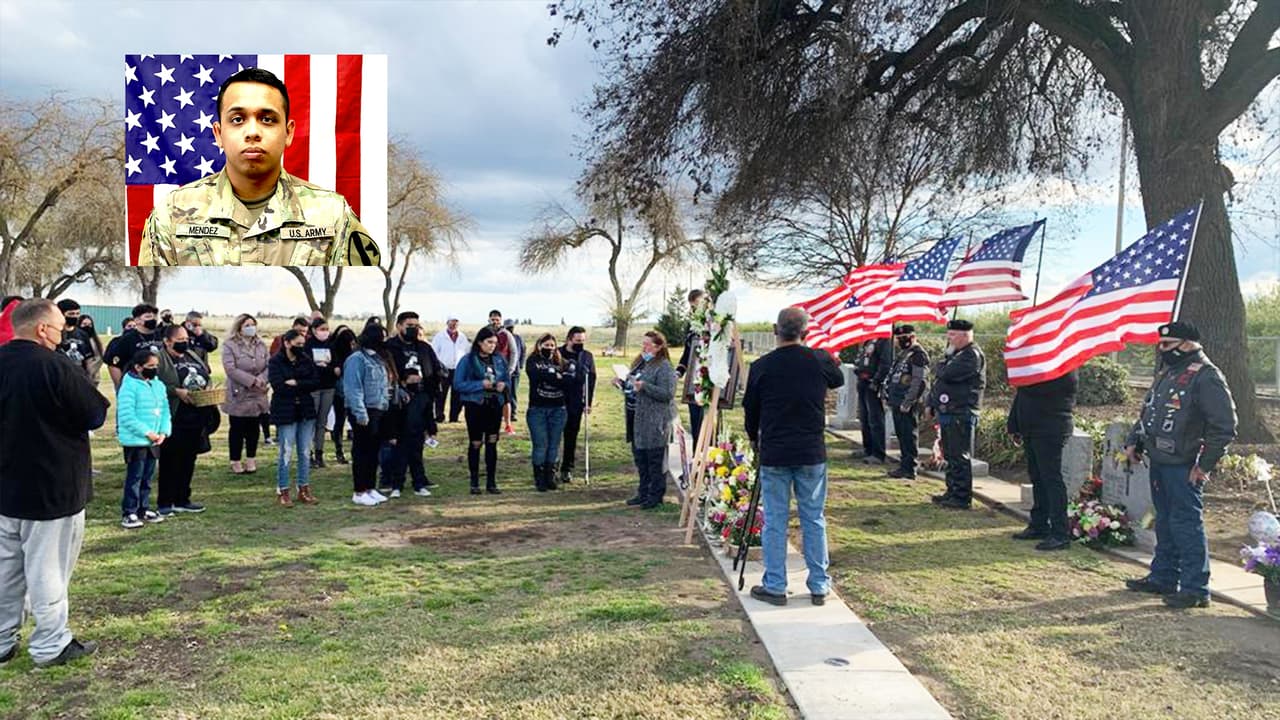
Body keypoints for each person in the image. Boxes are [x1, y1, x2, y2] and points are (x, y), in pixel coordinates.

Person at [138, 67, 380, 267]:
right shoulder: (172, 213)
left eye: (267, 119)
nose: (252, 132)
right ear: (219, 134)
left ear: (288, 132)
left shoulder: (332, 213)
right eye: (237, 120)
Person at [0, 298, 109, 667]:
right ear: (43, 329)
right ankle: (50, 644)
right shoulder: (53, 365)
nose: (63, 335)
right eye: (61, 328)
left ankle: (1, 639)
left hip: (6, 487)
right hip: (51, 486)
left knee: (6, 569)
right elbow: (93, 413)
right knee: (48, 569)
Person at [1124, 321, 1237, 609]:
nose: (1162, 350)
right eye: (1160, 345)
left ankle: (1195, 588)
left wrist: (1205, 464)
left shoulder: (1206, 376)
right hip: (1160, 460)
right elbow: (1149, 412)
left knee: (1186, 523)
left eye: (1168, 345)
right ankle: (1163, 576)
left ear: (1187, 344)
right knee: (1164, 520)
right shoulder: (1169, 372)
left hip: (1185, 465)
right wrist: (1134, 440)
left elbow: (1223, 426)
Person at [743, 308, 844, 607]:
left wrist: (753, 437)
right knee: (813, 518)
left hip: (775, 450)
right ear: (807, 332)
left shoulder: (762, 365)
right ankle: (819, 584)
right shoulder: (819, 359)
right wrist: (826, 356)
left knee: (775, 520)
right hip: (811, 451)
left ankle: (775, 584)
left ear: (775, 329)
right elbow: (837, 379)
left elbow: (751, 409)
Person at [1006, 370, 1078, 551]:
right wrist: (1014, 424)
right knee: (1037, 477)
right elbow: (1022, 395)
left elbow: (1040, 391)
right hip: (1031, 426)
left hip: (1051, 428)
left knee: (1051, 479)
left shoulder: (1064, 368)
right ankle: (1039, 524)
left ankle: (1060, 533)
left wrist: (1024, 377)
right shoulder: (1035, 368)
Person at [155, 324, 215, 516]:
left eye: (185, 339)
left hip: (196, 414)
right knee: (170, 459)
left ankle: (182, 498)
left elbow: (206, 374)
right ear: (167, 341)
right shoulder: (159, 359)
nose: (184, 343)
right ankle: (165, 501)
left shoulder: (192, 355)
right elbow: (152, 384)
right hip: (174, 414)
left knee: (189, 458)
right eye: (179, 340)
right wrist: (175, 391)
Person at [925, 319, 986, 510]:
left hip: (962, 411)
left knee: (959, 455)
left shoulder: (971, 355)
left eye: (952, 335)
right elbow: (939, 377)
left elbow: (947, 374)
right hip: (949, 410)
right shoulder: (956, 354)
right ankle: (952, 491)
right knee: (949, 453)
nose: (948, 338)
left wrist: (942, 365)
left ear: (965, 335)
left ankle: (961, 496)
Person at [382, 311, 442, 498]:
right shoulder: (389, 348)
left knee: (417, 443)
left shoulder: (424, 347)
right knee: (397, 444)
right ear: (399, 326)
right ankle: (393, 481)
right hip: (398, 401)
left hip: (421, 399)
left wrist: (430, 387)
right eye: (409, 325)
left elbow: (435, 370)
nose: (413, 329)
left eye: (416, 325)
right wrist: (403, 382)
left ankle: (419, 481)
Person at [615, 330, 675, 509]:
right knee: (640, 458)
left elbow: (667, 394)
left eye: (648, 345)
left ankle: (655, 495)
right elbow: (631, 384)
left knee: (654, 460)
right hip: (636, 419)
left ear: (658, 347)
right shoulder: (640, 363)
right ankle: (643, 492)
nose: (644, 347)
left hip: (654, 421)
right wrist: (621, 383)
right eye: (643, 344)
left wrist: (645, 386)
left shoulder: (664, 367)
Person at [116, 350, 170, 528]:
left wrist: (163, 431)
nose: (154, 370)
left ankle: (144, 507)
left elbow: (164, 411)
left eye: (156, 366)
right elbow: (126, 415)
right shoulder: (129, 385)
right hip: (137, 440)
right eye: (150, 367)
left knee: (148, 476)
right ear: (138, 367)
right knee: (135, 476)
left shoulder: (158, 385)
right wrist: (146, 432)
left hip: (154, 440)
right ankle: (129, 511)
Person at [454, 327, 510, 495]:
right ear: (480, 342)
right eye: (489, 342)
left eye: (495, 343)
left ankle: (491, 482)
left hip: (494, 404)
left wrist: (503, 385)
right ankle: (474, 482)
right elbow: (458, 384)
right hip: (475, 405)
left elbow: (507, 378)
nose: (492, 346)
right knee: (476, 443)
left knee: (492, 441)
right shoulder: (468, 360)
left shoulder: (499, 359)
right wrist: (480, 385)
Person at [343, 324, 394, 506]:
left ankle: (370, 488)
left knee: (373, 451)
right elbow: (353, 387)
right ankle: (359, 490)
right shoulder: (357, 359)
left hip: (379, 408)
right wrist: (360, 413)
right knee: (362, 451)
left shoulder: (379, 359)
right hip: (364, 410)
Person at [269, 329, 320, 507]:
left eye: (302, 344)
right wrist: (300, 384)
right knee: (286, 452)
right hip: (285, 411)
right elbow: (278, 386)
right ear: (287, 343)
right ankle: (283, 490)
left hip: (305, 410)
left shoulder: (306, 360)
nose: (301, 347)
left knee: (305, 452)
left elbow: (315, 382)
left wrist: (297, 382)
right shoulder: (276, 361)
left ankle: (303, 489)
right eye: (297, 344)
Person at [222, 314, 271, 474]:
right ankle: (235, 460)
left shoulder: (261, 344)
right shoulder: (230, 345)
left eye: (253, 324)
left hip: (258, 392)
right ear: (239, 327)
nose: (251, 327)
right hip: (239, 391)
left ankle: (251, 459)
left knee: (253, 428)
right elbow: (230, 368)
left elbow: (268, 365)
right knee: (237, 428)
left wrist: (261, 379)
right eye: (247, 325)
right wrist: (251, 380)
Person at [526, 333, 575, 491]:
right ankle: (539, 477)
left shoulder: (561, 362)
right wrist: (557, 377)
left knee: (554, 444)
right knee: (541, 444)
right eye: (546, 345)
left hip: (558, 409)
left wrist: (556, 377)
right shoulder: (533, 361)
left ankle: (550, 475)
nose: (549, 348)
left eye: (552, 346)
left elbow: (570, 381)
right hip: (538, 409)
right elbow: (537, 376)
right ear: (539, 345)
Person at [884, 325, 929, 480]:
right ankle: (904, 466)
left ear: (910, 337)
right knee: (902, 435)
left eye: (901, 338)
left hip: (908, 402)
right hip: (897, 400)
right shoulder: (904, 354)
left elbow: (919, 381)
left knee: (909, 435)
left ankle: (910, 468)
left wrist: (908, 401)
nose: (898, 342)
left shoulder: (918, 355)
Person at [559, 326, 597, 485]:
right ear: (569, 339)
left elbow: (592, 379)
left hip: (576, 401)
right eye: (577, 341)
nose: (580, 344)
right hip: (558, 399)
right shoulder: (558, 353)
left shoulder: (587, 356)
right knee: (554, 436)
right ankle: (550, 466)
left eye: (582, 341)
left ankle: (567, 468)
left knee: (571, 435)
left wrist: (587, 402)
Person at [852, 335, 893, 464]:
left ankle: (878, 453)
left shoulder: (884, 340)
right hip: (863, 381)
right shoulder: (868, 339)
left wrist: (876, 380)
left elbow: (885, 363)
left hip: (873, 383)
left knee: (875, 419)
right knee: (864, 418)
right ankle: (868, 448)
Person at [306, 317, 340, 468]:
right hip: (313, 388)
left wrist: (333, 369)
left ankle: (319, 452)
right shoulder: (308, 346)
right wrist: (327, 368)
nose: (324, 332)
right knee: (310, 422)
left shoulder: (332, 345)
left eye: (326, 329)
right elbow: (309, 366)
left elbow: (336, 365)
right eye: (321, 329)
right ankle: (308, 454)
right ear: (314, 330)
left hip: (328, 387)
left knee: (322, 421)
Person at [104, 303, 164, 390]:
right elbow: (113, 364)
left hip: (159, 384)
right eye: (148, 317)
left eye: (154, 317)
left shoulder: (161, 335)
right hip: (136, 385)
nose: (152, 320)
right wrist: (120, 386)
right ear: (137, 321)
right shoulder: (126, 339)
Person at [675, 289, 706, 441]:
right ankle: (696, 458)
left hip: (710, 381)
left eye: (698, 306)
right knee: (696, 423)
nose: (695, 310)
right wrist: (679, 371)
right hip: (693, 382)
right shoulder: (692, 328)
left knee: (709, 426)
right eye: (693, 308)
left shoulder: (715, 325)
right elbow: (687, 353)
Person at [328, 325, 358, 465]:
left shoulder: (354, 356)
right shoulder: (337, 355)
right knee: (340, 421)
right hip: (342, 392)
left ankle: (345, 451)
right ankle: (340, 451)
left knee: (347, 422)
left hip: (349, 392)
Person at [431, 314, 469, 423]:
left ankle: (454, 417)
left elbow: (466, 352)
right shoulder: (439, 336)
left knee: (457, 395)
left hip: (458, 369)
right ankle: (439, 416)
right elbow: (434, 353)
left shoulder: (462, 337)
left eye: (456, 322)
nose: (454, 324)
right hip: (443, 369)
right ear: (447, 323)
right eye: (452, 322)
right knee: (441, 394)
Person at [55, 299, 98, 381]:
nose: (75, 316)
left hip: (79, 377)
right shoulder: (55, 333)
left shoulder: (83, 334)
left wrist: (89, 377)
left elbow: (88, 359)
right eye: (71, 314)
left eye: (77, 313)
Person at [504, 317, 527, 416]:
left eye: (511, 327)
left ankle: (513, 412)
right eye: (508, 328)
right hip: (503, 370)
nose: (510, 329)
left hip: (515, 370)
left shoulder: (518, 338)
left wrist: (521, 364)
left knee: (513, 392)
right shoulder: (502, 338)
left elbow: (523, 351)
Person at [77, 315, 106, 388]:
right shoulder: (76, 340)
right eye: (84, 324)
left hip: (93, 377)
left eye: (90, 325)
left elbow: (100, 358)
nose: (87, 327)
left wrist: (91, 372)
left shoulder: (95, 341)